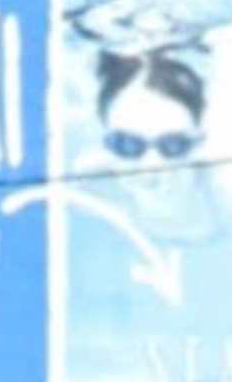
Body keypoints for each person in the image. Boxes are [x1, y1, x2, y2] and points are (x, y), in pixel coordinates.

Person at [94, 47, 220, 244]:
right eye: (128, 145)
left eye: (172, 145)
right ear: (106, 144)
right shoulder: (88, 190)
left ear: (200, 143)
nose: (150, 166)